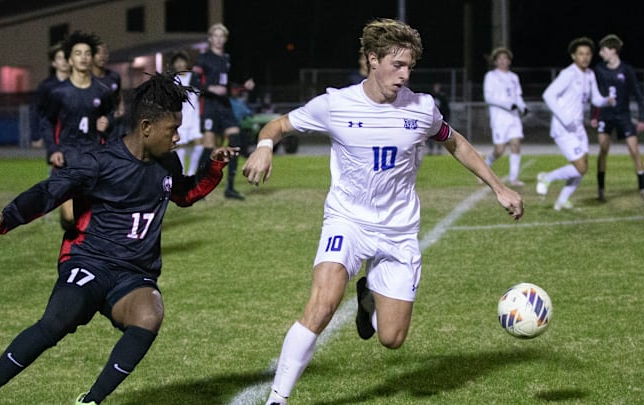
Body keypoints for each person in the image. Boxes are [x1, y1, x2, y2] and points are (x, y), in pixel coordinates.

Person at [241, 18, 524, 405]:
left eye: (410, 66)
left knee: (391, 339)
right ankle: (278, 398)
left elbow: (454, 141)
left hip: (399, 230)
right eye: (398, 65)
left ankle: (368, 296)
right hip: (347, 219)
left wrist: (498, 186)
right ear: (372, 60)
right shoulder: (335, 105)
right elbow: (277, 125)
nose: (405, 75)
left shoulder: (422, 109)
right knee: (322, 303)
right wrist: (264, 147)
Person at [0, 71, 238, 405]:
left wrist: (212, 168)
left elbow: (185, 194)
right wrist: (6, 219)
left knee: (150, 314)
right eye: (172, 129)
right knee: (58, 320)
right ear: (146, 127)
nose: (177, 137)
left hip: (133, 272)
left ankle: (89, 401)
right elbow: (50, 191)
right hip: (89, 259)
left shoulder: (167, 162)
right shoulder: (99, 163)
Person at [40, 30, 117, 231]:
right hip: (67, 157)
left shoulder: (102, 91)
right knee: (70, 220)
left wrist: (107, 121)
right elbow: (46, 122)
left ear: (92, 58)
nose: (83, 57)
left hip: (93, 156)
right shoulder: (58, 93)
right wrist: (53, 150)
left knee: (94, 218)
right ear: (70, 60)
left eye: (87, 53)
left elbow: (111, 114)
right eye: (77, 53)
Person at [538, 37, 615, 210]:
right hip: (563, 128)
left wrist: (606, 100)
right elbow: (548, 95)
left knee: (583, 167)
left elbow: (594, 98)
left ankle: (561, 201)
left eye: (588, 54)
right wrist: (564, 117)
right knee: (580, 167)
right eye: (581, 54)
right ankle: (547, 177)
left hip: (578, 127)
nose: (585, 57)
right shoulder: (568, 74)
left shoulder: (589, 74)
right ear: (573, 56)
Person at [193, 22, 255, 200]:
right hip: (210, 106)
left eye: (222, 36)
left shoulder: (225, 59)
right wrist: (210, 88)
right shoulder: (203, 58)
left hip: (224, 106)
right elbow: (194, 82)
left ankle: (230, 187)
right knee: (209, 148)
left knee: (235, 143)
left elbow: (227, 86)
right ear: (210, 38)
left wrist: (243, 88)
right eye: (216, 36)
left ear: (225, 39)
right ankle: (199, 186)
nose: (219, 39)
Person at [589, 34, 644, 202]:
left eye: (603, 50)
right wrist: (594, 115)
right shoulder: (599, 69)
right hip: (605, 115)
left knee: (634, 150)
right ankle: (601, 189)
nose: (600, 53)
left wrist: (641, 118)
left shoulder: (626, 70)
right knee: (603, 149)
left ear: (613, 50)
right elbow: (595, 93)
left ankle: (642, 186)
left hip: (623, 115)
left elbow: (638, 94)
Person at [483, 47, 528, 186]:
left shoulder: (514, 77)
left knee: (516, 144)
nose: (503, 61)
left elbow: (518, 96)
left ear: (509, 61)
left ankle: (513, 179)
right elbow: (488, 98)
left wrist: (523, 107)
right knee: (500, 150)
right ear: (495, 61)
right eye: (500, 59)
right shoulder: (491, 76)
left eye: (505, 59)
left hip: (513, 117)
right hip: (499, 118)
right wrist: (508, 105)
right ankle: (484, 166)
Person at [29, 42, 70, 149]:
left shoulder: (81, 84)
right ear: (54, 63)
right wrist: (36, 136)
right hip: (53, 134)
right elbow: (36, 111)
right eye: (60, 58)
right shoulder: (46, 86)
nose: (64, 61)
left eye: (66, 57)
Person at [170, 51, 205, 176]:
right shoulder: (173, 80)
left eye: (182, 61)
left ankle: (191, 172)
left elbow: (202, 91)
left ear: (186, 63)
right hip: (180, 118)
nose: (179, 64)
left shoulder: (193, 77)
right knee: (181, 147)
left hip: (194, 118)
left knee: (199, 145)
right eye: (177, 62)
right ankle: (182, 173)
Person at [92, 41, 126, 139]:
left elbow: (118, 94)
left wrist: (121, 108)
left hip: (113, 122)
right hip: (95, 124)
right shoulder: (87, 79)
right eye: (98, 53)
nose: (102, 56)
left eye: (105, 53)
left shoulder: (114, 76)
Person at [427, 82, 449, 155]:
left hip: (440, 119)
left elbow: (446, 109)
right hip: (431, 119)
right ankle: (431, 149)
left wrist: (446, 118)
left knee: (440, 134)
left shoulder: (442, 97)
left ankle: (439, 149)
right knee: (430, 135)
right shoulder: (431, 97)